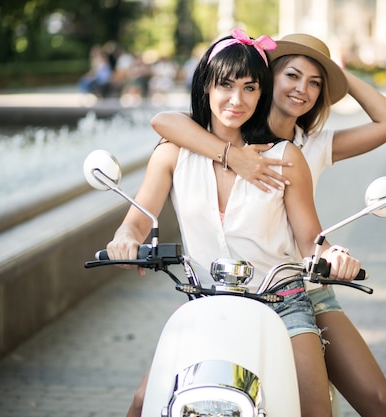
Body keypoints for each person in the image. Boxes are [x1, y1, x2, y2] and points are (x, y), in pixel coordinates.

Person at [151, 33, 386, 417]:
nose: (302, 89)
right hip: (228, 290)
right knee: (150, 400)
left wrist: (338, 73)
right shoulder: (215, 132)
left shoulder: (309, 144)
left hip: (300, 287)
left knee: (373, 400)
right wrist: (234, 157)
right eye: (292, 75)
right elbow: (166, 123)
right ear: (268, 78)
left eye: (315, 83)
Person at [108, 29, 362, 417]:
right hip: (204, 300)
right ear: (206, 85)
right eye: (225, 84)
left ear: (262, 95)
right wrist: (125, 239)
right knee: (145, 404)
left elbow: (312, 237)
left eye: (250, 88)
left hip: (283, 304)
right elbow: (138, 219)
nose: (236, 99)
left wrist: (334, 253)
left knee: (312, 409)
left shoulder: (285, 156)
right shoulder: (174, 153)